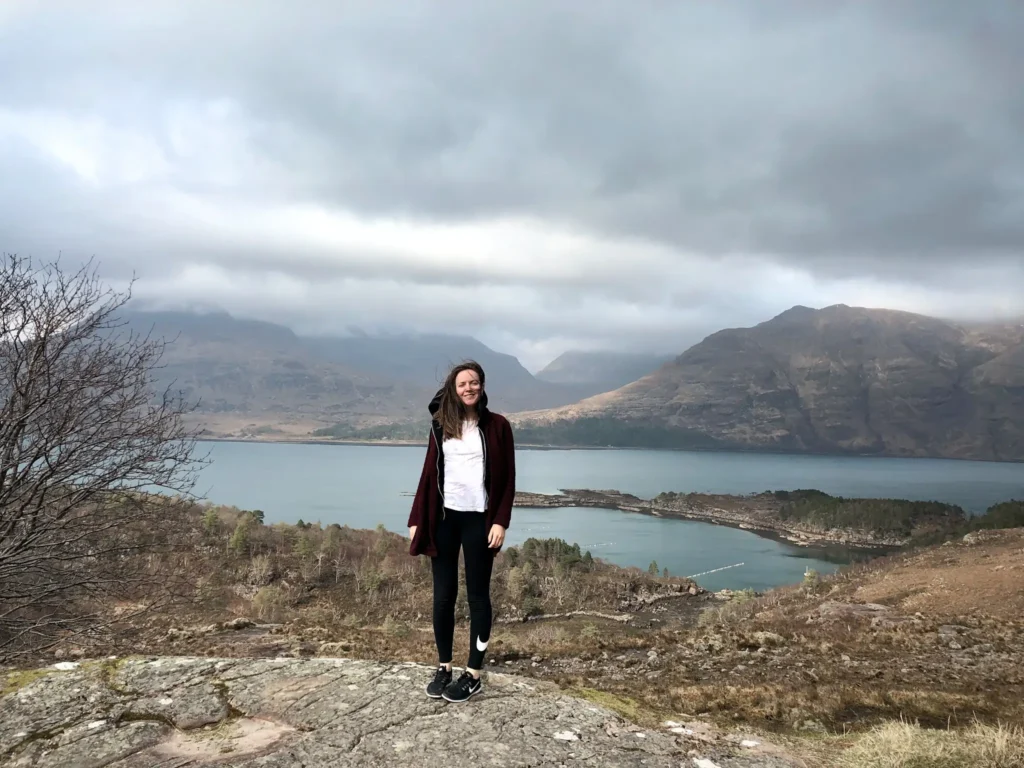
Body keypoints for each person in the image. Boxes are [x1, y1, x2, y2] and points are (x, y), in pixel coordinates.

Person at [407, 360, 515, 703]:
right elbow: (428, 474)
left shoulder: (498, 426)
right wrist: (416, 519)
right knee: (443, 596)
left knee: (478, 597)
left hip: (479, 521)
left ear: (482, 386)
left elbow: (508, 479)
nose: (469, 388)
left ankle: (473, 673)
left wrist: (500, 521)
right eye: (462, 384)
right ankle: (444, 667)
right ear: (453, 390)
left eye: (474, 382)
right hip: (444, 519)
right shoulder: (441, 426)